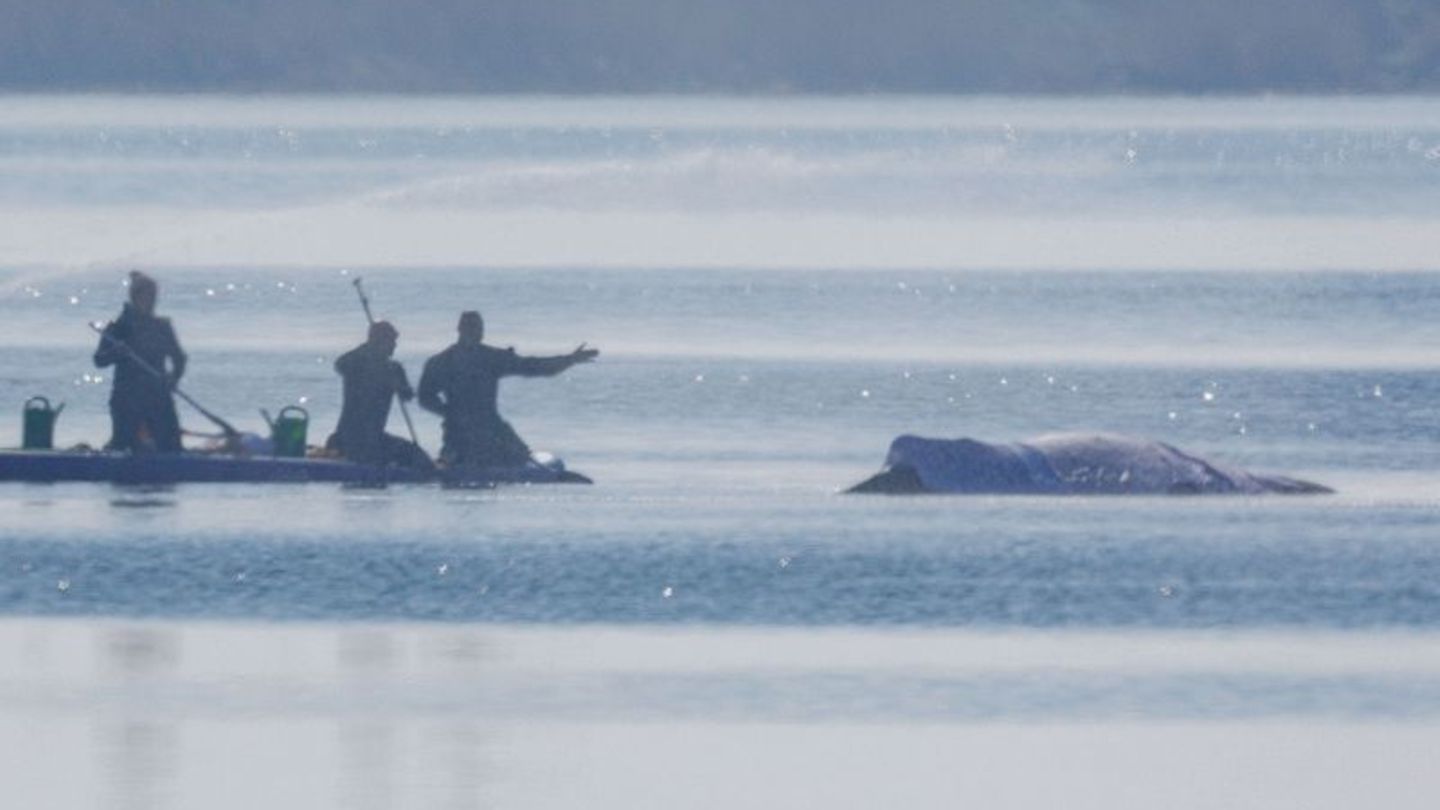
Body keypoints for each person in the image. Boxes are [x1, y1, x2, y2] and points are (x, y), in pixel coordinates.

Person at [418, 311, 598, 468]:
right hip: (459, 434)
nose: (476, 333)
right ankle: (452, 461)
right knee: (457, 455)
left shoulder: (490, 358)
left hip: (493, 431)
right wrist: (452, 414)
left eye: (478, 329)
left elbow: (532, 366)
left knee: (520, 457)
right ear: (460, 330)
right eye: (471, 328)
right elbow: (425, 396)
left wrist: (569, 360)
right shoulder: (441, 362)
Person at [93, 271, 186, 452]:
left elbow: (179, 359)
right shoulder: (120, 327)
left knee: (171, 447)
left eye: (153, 297)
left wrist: (173, 378)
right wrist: (116, 352)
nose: (151, 301)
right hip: (127, 397)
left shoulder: (161, 327)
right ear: (135, 298)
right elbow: (99, 360)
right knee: (123, 445)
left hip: (158, 396)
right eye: (147, 297)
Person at [326, 320, 432, 470]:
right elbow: (340, 364)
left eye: (394, 341)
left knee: (419, 458)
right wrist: (369, 351)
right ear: (378, 341)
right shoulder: (358, 362)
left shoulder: (393, 368)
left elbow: (407, 396)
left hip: (375, 436)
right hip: (349, 436)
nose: (394, 345)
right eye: (391, 341)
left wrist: (398, 385)